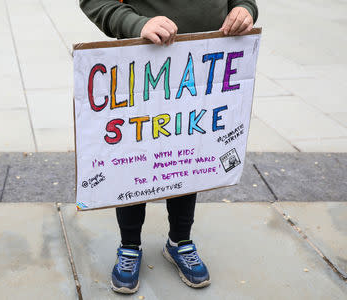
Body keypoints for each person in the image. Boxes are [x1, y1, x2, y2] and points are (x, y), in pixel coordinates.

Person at [79, 0, 258, 294]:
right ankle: (129, 246)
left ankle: (179, 241)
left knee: (189, 152)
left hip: (205, 67)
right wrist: (136, 24)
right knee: (135, 157)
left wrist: (244, 9)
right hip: (142, 64)